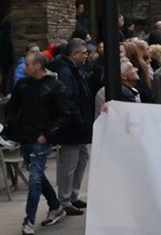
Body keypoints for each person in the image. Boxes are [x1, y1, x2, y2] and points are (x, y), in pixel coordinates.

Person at [5, 51, 72, 233]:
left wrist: (48, 135)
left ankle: (29, 220)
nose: (24, 67)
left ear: (38, 66)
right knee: (37, 175)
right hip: (26, 136)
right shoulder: (22, 85)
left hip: (41, 138)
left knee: (34, 178)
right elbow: (11, 108)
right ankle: (55, 205)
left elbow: (64, 115)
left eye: (27, 64)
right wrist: (14, 126)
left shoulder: (54, 86)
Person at [49, 38, 93, 216]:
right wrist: (77, 118)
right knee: (69, 163)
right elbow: (69, 99)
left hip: (80, 123)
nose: (86, 56)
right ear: (74, 54)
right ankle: (65, 199)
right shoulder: (66, 72)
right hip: (73, 125)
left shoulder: (74, 70)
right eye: (83, 53)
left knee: (82, 158)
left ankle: (73, 195)